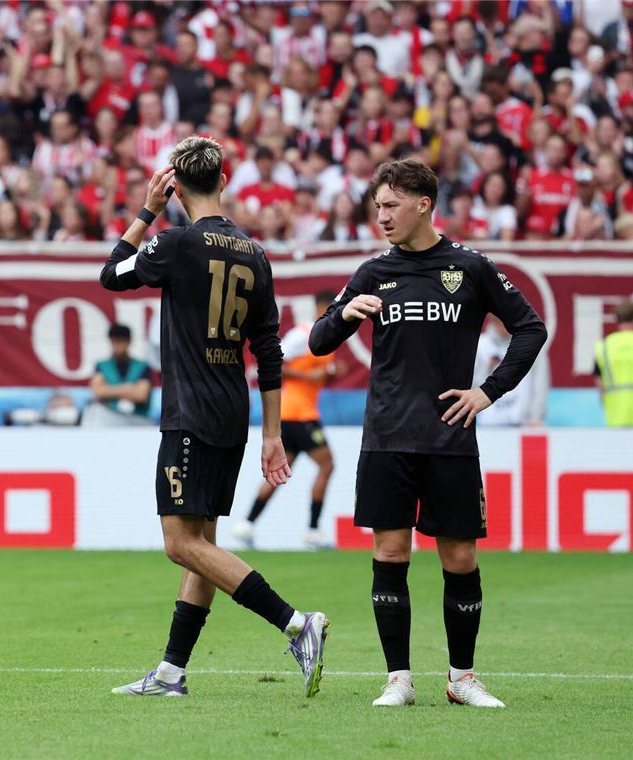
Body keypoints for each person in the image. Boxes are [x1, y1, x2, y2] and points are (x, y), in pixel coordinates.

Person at [308, 159, 547, 708]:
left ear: (423, 204)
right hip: (387, 437)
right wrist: (345, 314)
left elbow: (531, 328)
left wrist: (487, 392)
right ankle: (399, 678)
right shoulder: (373, 272)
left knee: (460, 559)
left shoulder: (470, 267)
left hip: (449, 439)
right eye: (377, 207)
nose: (382, 217)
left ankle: (461, 678)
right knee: (391, 552)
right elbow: (319, 342)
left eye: (391, 206)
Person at [99, 137, 330, 699]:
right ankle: (171, 673)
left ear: (176, 188)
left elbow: (111, 274)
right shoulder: (255, 253)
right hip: (233, 410)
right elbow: (269, 351)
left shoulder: (175, 243)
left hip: (190, 411)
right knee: (203, 542)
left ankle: (296, 623)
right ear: (224, 181)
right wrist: (272, 434)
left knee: (181, 544)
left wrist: (147, 211)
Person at [234, 291, 344, 551]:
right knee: (327, 465)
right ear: (323, 307)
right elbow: (274, 362)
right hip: (299, 414)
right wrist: (310, 376)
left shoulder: (324, 336)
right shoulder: (303, 334)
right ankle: (313, 530)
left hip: (294, 413)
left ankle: (247, 524)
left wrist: (330, 373)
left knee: (279, 472)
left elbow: (314, 371)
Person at [472, 317, 549, 426]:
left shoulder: (531, 344)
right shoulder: (479, 346)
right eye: (499, 320)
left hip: (524, 425)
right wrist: (487, 370)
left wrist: (536, 416)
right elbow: (470, 388)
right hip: (487, 427)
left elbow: (540, 384)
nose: (503, 325)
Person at [88, 323, 153, 419]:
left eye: (121, 341)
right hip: (108, 418)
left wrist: (109, 390)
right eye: (115, 341)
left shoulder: (142, 366)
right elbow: (98, 392)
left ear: (129, 341)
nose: (118, 345)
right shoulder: (101, 365)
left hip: (137, 419)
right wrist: (130, 388)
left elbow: (141, 395)